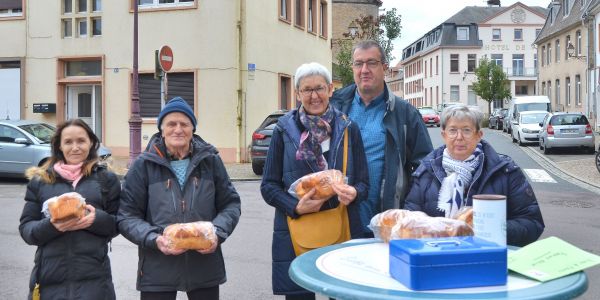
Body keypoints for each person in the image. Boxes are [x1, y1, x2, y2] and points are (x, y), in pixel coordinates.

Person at [261, 62, 369, 300]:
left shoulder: (349, 128)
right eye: (307, 90)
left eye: (319, 88)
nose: (314, 96)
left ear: (330, 89)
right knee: (299, 295)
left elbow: (363, 184)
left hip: (343, 224)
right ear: (298, 94)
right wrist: (295, 206)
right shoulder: (283, 130)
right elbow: (268, 186)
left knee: (342, 293)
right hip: (296, 229)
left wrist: (354, 193)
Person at [118, 97, 241, 300]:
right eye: (171, 124)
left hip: (205, 267)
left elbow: (230, 204)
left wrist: (217, 233)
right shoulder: (143, 165)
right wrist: (154, 239)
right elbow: (126, 216)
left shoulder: (210, 160)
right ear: (162, 129)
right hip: (157, 269)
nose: (178, 129)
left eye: (184, 124)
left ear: (193, 128)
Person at [330, 40, 434, 233]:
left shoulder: (405, 114)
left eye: (372, 63)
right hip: (338, 219)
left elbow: (425, 168)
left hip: (386, 223)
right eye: (358, 63)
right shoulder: (335, 107)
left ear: (384, 68)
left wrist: (407, 210)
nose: (364, 70)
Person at [404, 105, 545, 246]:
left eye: (466, 130)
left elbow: (532, 223)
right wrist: (435, 229)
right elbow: (409, 222)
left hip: (489, 258)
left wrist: (491, 231)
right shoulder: (426, 171)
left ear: (479, 135)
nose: (459, 137)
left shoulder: (505, 170)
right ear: (444, 135)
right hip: (438, 257)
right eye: (453, 130)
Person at [19, 119, 121, 299]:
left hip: (95, 282)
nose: (75, 147)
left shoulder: (106, 179)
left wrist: (96, 220)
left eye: (81, 141)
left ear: (91, 143)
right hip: (50, 280)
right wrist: (52, 226)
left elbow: (118, 224)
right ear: (59, 146)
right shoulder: (40, 181)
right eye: (68, 142)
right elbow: (27, 230)